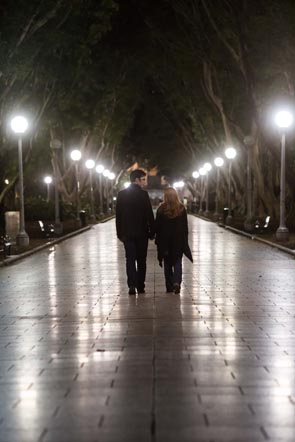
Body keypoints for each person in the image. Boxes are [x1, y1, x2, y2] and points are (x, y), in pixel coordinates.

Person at [116, 169, 155, 295]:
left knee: (130, 260)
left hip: (127, 234)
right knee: (141, 260)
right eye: (142, 179)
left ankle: (131, 285)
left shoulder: (121, 194)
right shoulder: (143, 195)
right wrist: (152, 232)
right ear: (136, 180)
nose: (144, 182)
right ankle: (140, 285)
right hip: (142, 233)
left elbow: (118, 216)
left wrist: (119, 233)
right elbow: (149, 214)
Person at [155, 187, 193, 294]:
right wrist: (184, 240)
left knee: (167, 263)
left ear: (165, 196)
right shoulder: (181, 209)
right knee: (177, 261)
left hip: (165, 241)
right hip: (178, 240)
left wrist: (153, 235)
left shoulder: (161, 209)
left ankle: (169, 285)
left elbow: (157, 226)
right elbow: (185, 227)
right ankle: (176, 282)